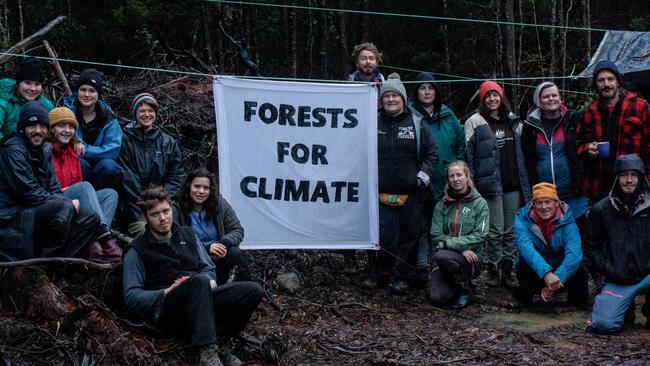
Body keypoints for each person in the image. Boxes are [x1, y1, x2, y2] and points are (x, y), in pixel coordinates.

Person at [122, 186, 264, 366]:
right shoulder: (137, 250)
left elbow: (208, 268)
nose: (163, 218)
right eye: (155, 214)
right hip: (168, 311)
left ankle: (220, 339)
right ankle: (207, 353)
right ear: (145, 218)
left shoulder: (186, 234)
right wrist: (166, 292)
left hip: (201, 300)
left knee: (252, 290)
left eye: (166, 211)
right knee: (197, 282)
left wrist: (209, 282)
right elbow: (131, 295)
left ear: (171, 209)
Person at [0, 101, 101, 261]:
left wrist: (63, 202)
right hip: (13, 213)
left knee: (90, 218)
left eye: (42, 126)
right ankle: (47, 265)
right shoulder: (13, 150)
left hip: (37, 208)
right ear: (22, 128)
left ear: (48, 129)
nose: (38, 131)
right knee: (62, 206)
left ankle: (65, 265)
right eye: (32, 126)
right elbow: (29, 192)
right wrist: (65, 203)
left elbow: (54, 187)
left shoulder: (45, 149)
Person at [374, 73, 438, 294]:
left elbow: (432, 153)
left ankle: (404, 277)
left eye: (395, 96)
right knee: (384, 237)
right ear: (381, 100)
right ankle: (382, 275)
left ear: (403, 98)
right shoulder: (372, 121)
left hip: (412, 193)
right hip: (380, 193)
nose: (391, 100)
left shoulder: (417, 122)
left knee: (410, 238)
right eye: (387, 96)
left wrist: (423, 177)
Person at [465, 81, 531, 288]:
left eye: (496, 95)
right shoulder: (475, 121)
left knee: (510, 230)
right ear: (482, 99)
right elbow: (468, 155)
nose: (492, 99)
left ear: (502, 97)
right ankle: (492, 269)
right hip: (489, 185)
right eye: (487, 96)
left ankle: (507, 270)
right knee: (495, 230)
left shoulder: (513, 121)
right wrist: (471, 182)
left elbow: (522, 154)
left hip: (512, 183)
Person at [521, 82, 591, 273]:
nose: (551, 99)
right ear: (539, 102)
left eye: (554, 95)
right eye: (546, 96)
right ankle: (551, 278)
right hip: (544, 196)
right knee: (549, 238)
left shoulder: (573, 119)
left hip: (572, 190)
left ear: (560, 98)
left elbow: (584, 146)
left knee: (577, 238)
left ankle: (579, 283)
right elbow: (527, 160)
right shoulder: (530, 126)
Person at [47, 107, 122, 263]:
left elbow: (77, 184)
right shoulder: (44, 152)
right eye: (62, 126)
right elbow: (42, 189)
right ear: (51, 128)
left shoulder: (73, 152)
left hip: (75, 205)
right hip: (54, 203)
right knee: (85, 186)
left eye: (71, 127)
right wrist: (64, 192)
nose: (67, 131)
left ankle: (94, 240)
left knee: (110, 194)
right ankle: (106, 242)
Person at [586, 154, 650, 333]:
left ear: (641, 177)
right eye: (624, 175)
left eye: (634, 175)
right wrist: (606, 268)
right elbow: (591, 245)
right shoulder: (601, 209)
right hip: (618, 278)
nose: (629, 180)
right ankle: (624, 307)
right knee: (603, 325)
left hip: (647, 274)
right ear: (616, 177)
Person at [409, 72, 465, 269]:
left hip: (446, 178)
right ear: (416, 92)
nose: (426, 92)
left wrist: (457, 170)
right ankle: (421, 263)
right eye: (422, 88)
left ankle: (439, 263)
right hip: (420, 179)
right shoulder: (410, 115)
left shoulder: (448, 116)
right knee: (421, 222)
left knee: (443, 222)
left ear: (436, 91)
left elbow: (460, 144)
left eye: (430, 88)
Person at [577, 60, 650, 202]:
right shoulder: (589, 112)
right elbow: (578, 145)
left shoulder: (640, 106)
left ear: (618, 82)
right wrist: (587, 149)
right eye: (601, 80)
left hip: (633, 182)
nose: (606, 84)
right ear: (596, 85)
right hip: (601, 183)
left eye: (610, 79)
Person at [119, 93, 185, 236]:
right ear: (135, 113)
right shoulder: (124, 140)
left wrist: (160, 199)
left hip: (163, 202)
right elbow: (127, 175)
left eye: (151, 111)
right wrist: (145, 204)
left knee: (177, 235)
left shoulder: (168, 142)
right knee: (146, 234)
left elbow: (176, 175)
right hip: (135, 205)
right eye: (142, 111)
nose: (147, 115)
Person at [513, 183, 589, 307]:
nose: (544, 207)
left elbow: (574, 253)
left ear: (556, 203)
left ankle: (578, 302)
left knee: (580, 265)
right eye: (539, 202)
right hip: (538, 271)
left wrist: (555, 280)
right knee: (524, 262)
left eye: (548, 202)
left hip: (561, 274)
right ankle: (524, 299)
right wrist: (546, 274)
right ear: (533, 204)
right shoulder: (522, 219)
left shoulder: (568, 221)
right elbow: (526, 248)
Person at [173, 168, 251, 284]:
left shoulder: (219, 203)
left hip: (219, 256)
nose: (201, 191)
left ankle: (249, 292)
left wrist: (223, 244)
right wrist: (207, 248)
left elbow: (237, 230)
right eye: (197, 186)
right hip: (193, 260)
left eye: (206, 188)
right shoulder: (176, 207)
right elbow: (175, 239)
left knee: (235, 253)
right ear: (189, 186)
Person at [427, 161, 489, 308]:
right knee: (436, 298)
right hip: (448, 259)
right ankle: (459, 285)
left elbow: (480, 235)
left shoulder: (479, 203)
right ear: (448, 179)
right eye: (451, 176)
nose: (456, 179)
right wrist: (461, 248)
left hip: (471, 259)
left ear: (467, 176)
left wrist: (448, 244)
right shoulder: (441, 205)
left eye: (459, 175)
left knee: (441, 255)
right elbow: (435, 235)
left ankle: (465, 289)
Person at [63, 69, 123, 191]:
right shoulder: (67, 113)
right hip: (77, 162)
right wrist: (75, 143)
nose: (87, 94)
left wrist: (85, 149)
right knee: (79, 163)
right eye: (83, 89)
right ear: (77, 91)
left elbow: (113, 149)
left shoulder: (109, 117)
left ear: (98, 94)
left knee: (109, 166)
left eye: (92, 91)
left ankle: (106, 200)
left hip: (102, 165)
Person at [0, 57, 54, 139]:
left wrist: (74, 141)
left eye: (37, 84)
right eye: (28, 83)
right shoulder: (3, 103)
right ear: (18, 84)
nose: (33, 88)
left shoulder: (46, 105)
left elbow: (56, 128)